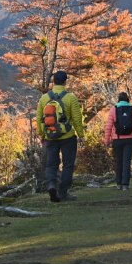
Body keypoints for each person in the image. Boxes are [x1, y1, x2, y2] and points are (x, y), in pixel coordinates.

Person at [36, 70, 84, 202]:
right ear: (65, 81)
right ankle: (63, 192)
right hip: (67, 136)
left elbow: (39, 118)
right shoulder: (71, 98)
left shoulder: (44, 98)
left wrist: (42, 134)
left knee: (51, 165)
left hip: (50, 136)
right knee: (68, 165)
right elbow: (76, 118)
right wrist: (81, 135)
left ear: (53, 82)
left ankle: (51, 185)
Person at [103, 91, 132, 191]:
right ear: (127, 99)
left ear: (118, 100)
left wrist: (106, 141)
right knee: (126, 162)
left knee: (118, 162)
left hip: (117, 139)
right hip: (130, 139)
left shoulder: (113, 109)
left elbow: (108, 126)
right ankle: (125, 185)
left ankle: (118, 184)